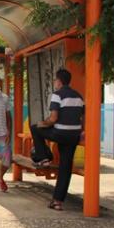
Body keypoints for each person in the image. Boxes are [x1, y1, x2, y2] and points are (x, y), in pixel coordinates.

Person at [30, 68, 84, 211]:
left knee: (35, 128)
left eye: (55, 80)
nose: (54, 82)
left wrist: (43, 123)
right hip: (74, 136)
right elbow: (82, 118)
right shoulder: (79, 96)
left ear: (59, 81)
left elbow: (53, 119)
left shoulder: (57, 95)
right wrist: (80, 131)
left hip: (60, 132)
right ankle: (57, 202)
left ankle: (43, 158)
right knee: (65, 167)